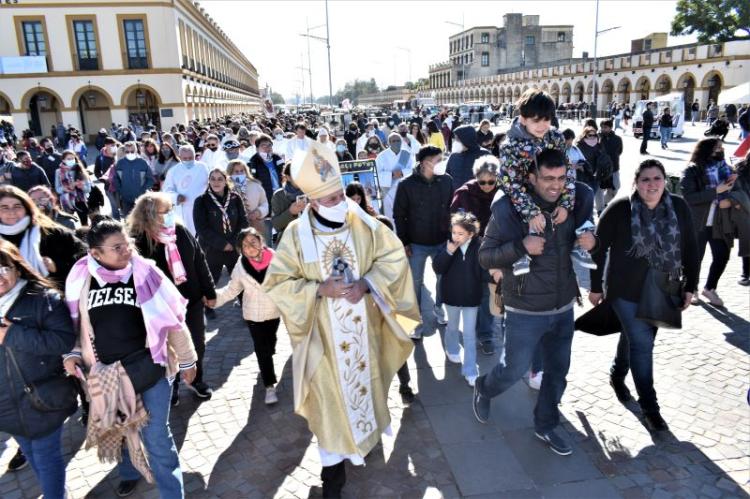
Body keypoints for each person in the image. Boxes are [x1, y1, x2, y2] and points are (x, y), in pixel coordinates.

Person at [262, 142, 418, 498]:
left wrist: (366, 283)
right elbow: (278, 283)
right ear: (312, 201)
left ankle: (361, 445)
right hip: (322, 339)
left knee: (364, 389)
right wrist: (319, 290)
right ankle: (333, 476)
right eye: (329, 199)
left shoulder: (363, 224)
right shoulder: (294, 236)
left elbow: (392, 258)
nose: (339, 203)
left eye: (339, 194)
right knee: (329, 404)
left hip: (366, 332)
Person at [472, 148, 596, 456]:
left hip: (563, 306)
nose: (555, 185)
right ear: (531, 177)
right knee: (514, 370)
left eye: (561, 178)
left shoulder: (573, 202)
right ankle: (484, 388)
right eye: (547, 178)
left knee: (557, 371)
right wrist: (520, 245)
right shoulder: (508, 209)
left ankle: (546, 425)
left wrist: (592, 240)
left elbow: (587, 233)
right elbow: (485, 256)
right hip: (524, 309)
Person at [63, 218, 198, 498]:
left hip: (151, 370)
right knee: (121, 429)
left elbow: (172, 321)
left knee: (157, 438)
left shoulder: (146, 272)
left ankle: (173, 494)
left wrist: (187, 360)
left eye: (127, 244)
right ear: (96, 253)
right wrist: (75, 354)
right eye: (117, 247)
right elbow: (76, 328)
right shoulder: (81, 279)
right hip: (107, 374)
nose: (126, 251)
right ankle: (128, 471)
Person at [590, 159, 699, 431]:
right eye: (645, 180)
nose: (652, 185)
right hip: (624, 289)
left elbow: (690, 247)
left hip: (664, 287)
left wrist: (691, 286)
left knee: (636, 337)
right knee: (642, 343)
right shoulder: (619, 209)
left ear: (665, 180)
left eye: (657, 178)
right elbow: (598, 248)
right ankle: (650, 408)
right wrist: (594, 286)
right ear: (636, 183)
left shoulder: (679, 206)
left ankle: (617, 374)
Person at [0, 239, 77, 499]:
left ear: (17, 269)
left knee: (46, 457)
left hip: (42, 398)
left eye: (4, 268)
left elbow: (62, 340)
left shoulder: (43, 299)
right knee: (32, 454)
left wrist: (12, 334)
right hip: (6, 405)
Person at [129, 192, 215, 406]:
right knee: (168, 349)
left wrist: (209, 290)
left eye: (170, 210)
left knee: (196, 343)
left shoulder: (180, 231)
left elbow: (199, 260)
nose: (170, 214)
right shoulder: (138, 241)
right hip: (161, 308)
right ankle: (173, 385)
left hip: (191, 300)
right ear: (149, 214)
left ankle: (197, 379)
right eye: (164, 211)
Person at [497, 89, 594, 276]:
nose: (542, 125)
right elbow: (511, 184)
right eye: (536, 120)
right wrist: (531, 212)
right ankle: (519, 252)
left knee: (586, 192)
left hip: (549, 186)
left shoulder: (555, 137)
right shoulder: (510, 144)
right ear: (523, 119)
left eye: (547, 119)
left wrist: (566, 204)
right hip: (521, 191)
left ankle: (579, 239)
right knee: (499, 204)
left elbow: (568, 170)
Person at [211, 228, 281, 405]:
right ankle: (269, 385)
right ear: (240, 249)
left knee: (270, 343)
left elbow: (287, 282)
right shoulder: (240, 265)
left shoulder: (275, 258)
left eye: (253, 242)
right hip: (252, 315)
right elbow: (232, 289)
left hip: (274, 312)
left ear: (261, 241)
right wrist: (214, 299)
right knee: (261, 348)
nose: (249, 247)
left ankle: (268, 359)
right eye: (244, 245)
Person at [394, 145, 453, 340]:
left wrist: (453, 237)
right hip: (416, 243)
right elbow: (398, 215)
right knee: (414, 283)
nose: (442, 163)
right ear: (425, 162)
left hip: (442, 241)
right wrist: (404, 242)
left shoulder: (447, 181)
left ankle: (439, 307)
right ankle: (415, 322)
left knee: (443, 280)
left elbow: (453, 209)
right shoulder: (406, 185)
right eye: (438, 160)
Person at [450, 156, 501, 355]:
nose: (487, 186)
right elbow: (455, 223)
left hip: (493, 254)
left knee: (488, 294)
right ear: (476, 177)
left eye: (491, 181)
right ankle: (467, 330)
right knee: (469, 295)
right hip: (468, 253)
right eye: (482, 182)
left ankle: (486, 334)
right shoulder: (464, 194)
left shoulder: (503, 193)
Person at [679, 138, 737, 307]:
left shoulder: (723, 167)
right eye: (717, 148)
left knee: (722, 255)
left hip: (720, 220)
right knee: (695, 258)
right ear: (707, 149)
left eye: (721, 148)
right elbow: (689, 197)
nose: (721, 150)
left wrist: (731, 187)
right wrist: (716, 191)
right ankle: (692, 288)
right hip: (698, 222)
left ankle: (710, 288)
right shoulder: (691, 170)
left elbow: (733, 189)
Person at [432, 212, 485, 386]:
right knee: (452, 327)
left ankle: (470, 370)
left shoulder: (480, 246)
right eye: (454, 232)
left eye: (460, 234)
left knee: (469, 334)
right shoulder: (447, 246)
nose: (456, 237)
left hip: (471, 297)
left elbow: (485, 269)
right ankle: (452, 348)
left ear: (471, 234)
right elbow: (438, 268)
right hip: (451, 296)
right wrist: (448, 252)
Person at [0, 185, 87, 287]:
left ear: (27, 208)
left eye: (17, 206)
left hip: (53, 298)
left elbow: (85, 257)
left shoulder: (51, 232)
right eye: (4, 207)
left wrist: (57, 266)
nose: (12, 212)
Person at [194, 167, 249, 287]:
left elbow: (243, 222)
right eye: (212, 179)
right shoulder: (201, 201)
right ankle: (206, 306)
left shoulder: (235, 198)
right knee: (208, 285)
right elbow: (201, 229)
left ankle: (244, 303)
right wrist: (222, 244)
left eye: (220, 179)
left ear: (226, 181)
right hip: (211, 249)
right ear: (209, 181)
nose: (216, 182)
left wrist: (233, 242)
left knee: (241, 281)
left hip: (234, 247)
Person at [162, 144, 209, 235]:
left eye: (190, 158)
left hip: (202, 207)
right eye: (185, 158)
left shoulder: (203, 167)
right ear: (179, 157)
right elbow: (167, 190)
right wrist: (176, 197)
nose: (188, 160)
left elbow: (209, 184)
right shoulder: (173, 171)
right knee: (188, 235)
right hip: (183, 209)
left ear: (195, 155)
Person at [227, 159, 268, 238]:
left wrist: (258, 212)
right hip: (234, 227)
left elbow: (264, 203)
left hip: (255, 225)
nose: (239, 173)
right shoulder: (226, 188)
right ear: (230, 173)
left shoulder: (255, 185)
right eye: (236, 171)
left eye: (242, 171)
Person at [375, 132, 414, 215]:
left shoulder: (406, 154)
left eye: (398, 140)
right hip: (388, 191)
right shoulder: (381, 156)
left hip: (405, 189)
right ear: (389, 143)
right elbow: (376, 174)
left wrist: (402, 173)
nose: (396, 142)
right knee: (390, 215)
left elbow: (413, 170)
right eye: (393, 141)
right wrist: (391, 175)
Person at [114, 141, 155, 217]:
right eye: (127, 151)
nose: (130, 153)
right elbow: (115, 179)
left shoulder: (143, 163)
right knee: (128, 221)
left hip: (141, 199)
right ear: (124, 152)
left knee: (141, 220)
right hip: (125, 199)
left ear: (136, 151)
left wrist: (143, 190)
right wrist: (121, 191)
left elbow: (150, 180)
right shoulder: (120, 163)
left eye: (132, 151)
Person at [446, 124, 491, 192]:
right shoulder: (454, 156)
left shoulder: (484, 155)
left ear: (466, 139)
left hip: (476, 199)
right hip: (456, 199)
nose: (454, 142)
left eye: (457, 139)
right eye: (454, 138)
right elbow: (448, 177)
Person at [55, 151, 93, 226]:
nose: (71, 160)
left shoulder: (80, 169)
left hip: (80, 200)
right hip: (66, 201)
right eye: (68, 159)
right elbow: (57, 189)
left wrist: (81, 186)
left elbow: (88, 188)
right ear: (63, 160)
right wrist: (65, 188)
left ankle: (85, 235)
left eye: (73, 158)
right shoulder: (58, 172)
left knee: (84, 223)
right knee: (69, 224)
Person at [270, 163, 306, 242]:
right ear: (288, 177)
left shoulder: (311, 191)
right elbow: (276, 225)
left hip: (309, 237)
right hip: (289, 241)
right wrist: (290, 212)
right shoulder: (278, 195)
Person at [597, 120, 623, 214]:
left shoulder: (618, 139)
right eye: (602, 127)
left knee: (615, 188)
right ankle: (600, 209)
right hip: (600, 169)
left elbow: (619, 151)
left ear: (610, 128)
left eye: (605, 127)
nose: (603, 129)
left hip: (614, 168)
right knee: (599, 190)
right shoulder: (597, 138)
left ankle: (603, 203)